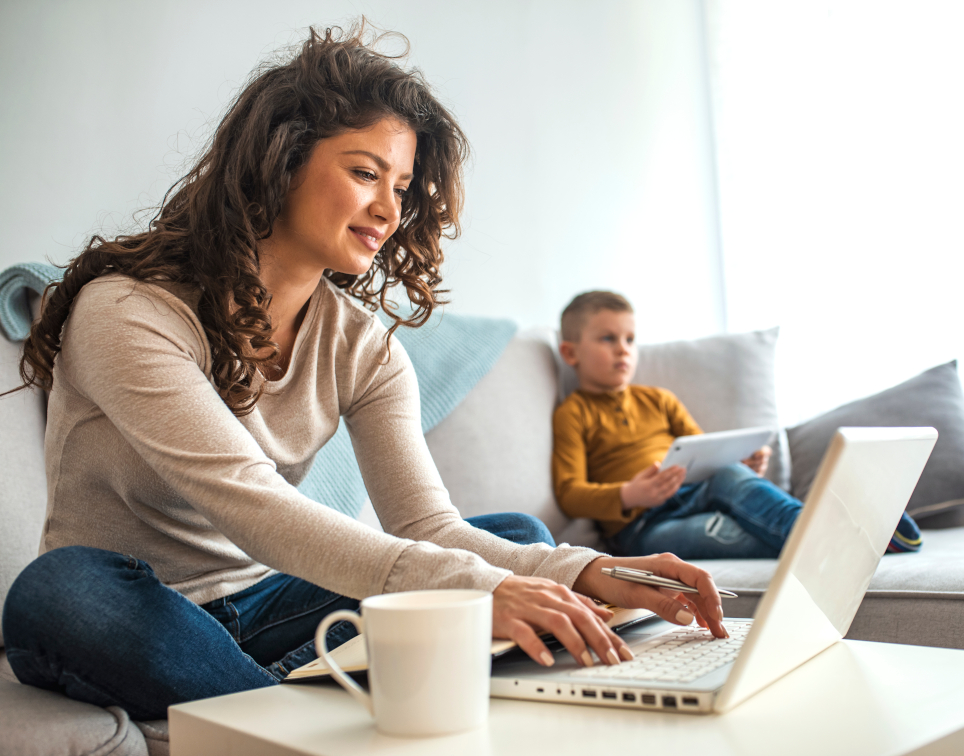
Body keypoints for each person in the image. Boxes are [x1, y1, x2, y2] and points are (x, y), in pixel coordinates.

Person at [0, 25, 728, 722]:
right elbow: (251, 504)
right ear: (279, 163)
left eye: (403, 187)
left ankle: (291, 696)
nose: (389, 209)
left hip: (266, 607)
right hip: (135, 605)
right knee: (59, 594)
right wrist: (485, 589)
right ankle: (299, 709)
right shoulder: (128, 312)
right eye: (363, 172)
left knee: (513, 534)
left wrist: (582, 569)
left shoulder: (362, 347)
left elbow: (426, 524)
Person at [552, 290, 923, 559]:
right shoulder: (573, 413)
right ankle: (856, 534)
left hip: (697, 493)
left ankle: (841, 533)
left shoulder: (658, 399)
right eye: (608, 339)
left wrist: (738, 463)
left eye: (630, 339)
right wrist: (629, 495)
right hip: (642, 529)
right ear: (570, 352)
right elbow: (569, 492)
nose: (623, 349)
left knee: (729, 474)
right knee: (732, 532)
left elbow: (704, 453)